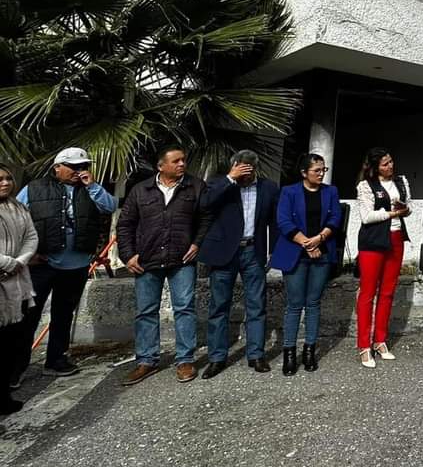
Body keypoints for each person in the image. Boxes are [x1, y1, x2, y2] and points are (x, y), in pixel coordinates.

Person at [14, 147, 116, 381]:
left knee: (63, 315)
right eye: (73, 166)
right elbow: (14, 220)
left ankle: (56, 360)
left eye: (83, 166)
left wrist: (92, 186)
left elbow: (110, 206)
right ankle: (15, 368)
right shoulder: (34, 189)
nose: (79, 171)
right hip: (42, 265)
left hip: (77, 265)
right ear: (57, 167)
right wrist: (26, 255)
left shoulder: (91, 190)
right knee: (28, 315)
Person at [117, 145, 208, 386]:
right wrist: (128, 255)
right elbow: (125, 224)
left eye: (184, 160)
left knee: (185, 308)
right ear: (161, 166)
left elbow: (206, 219)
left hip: (182, 260)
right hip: (147, 260)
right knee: (146, 311)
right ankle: (146, 360)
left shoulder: (196, 186)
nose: (182, 164)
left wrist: (197, 244)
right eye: (176, 161)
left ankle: (185, 359)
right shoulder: (140, 190)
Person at [198, 150, 280, 379]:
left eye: (248, 170)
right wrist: (230, 179)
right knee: (219, 307)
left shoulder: (269, 187)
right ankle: (217, 357)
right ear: (234, 166)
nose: (245, 175)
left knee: (256, 304)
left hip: (253, 251)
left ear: (255, 169)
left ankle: (256, 354)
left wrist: (273, 250)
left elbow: (274, 221)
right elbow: (205, 203)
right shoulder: (219, 184)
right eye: (241, 169)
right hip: (224, 252)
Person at [269, 153, 342, 377]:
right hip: (295, 253)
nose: (321, 174)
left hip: (321, 251)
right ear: (304, 173)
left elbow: (335, 218)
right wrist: (307, 244)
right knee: (294, 304)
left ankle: (309, 349)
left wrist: (319, 239)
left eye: (323, 170)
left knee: (313, 303)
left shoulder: (331, 192)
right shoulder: (289, 191)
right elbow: (283, 221)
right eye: (316, 171)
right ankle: (289, 351)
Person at [355, 147, 411, 368]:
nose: (390, 166)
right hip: (373, 240)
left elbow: (409, 208)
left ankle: (380, 340)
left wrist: (403, 210)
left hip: (396, 238)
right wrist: (391, 213)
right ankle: (364, 345)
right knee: (368, 293)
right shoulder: (365, 186)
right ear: (375, 167)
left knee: (388, 291)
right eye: (385, 164)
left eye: (391, 162)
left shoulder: (401, 181)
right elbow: (367, 217)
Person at [1, 163, 37, 415]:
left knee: (10, 344)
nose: (4, 183)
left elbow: (31, 237)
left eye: (7, 178)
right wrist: (6, 262)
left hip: (17, 280)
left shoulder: (18, 207)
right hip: (6, 271)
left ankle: (3, 395)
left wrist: (19, 262)